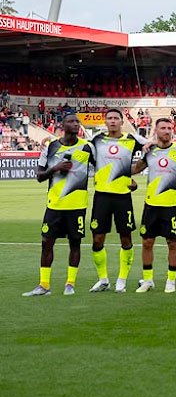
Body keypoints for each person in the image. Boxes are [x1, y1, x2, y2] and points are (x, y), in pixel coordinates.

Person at [24, 114, 94, 296]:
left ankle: (70, 284)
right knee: (46, 243)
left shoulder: (87, 147)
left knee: (75, 244)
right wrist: (56, 168)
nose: (75, 124)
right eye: (71, 121)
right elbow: (39, 176)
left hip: (77, 205)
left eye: (77, 121)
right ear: (62, 125)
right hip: (55, 204)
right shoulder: (50, 146)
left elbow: (102, 167)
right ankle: (44, 285)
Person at [131, 118, 176, 293]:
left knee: (172, 243)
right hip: (151, 204)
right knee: (147, 242)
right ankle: (148, 280)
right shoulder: (149, 151)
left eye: (169, 128)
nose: (167, 131)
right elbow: (136, 169)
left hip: (171, 205)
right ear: (156, 131)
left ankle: (171, 281)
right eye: (163, 128)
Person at [88, 109, 145, 293]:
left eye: (116, 118)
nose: (112, 121)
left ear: (122, 122)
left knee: (126, 238)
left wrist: (131, 173)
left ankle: (122, 279)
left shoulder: (133, 139)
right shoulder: (96, 140)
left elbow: (153, 147)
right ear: (105, 122)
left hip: (123, 196)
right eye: (109, 118)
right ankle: (103, 279)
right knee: (97, 239)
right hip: (102, 195)